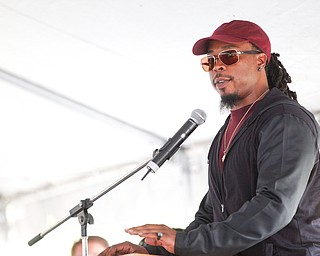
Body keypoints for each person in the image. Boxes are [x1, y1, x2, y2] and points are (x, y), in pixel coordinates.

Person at [98, 20, 320, 256]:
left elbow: (274, 206)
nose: (218, 67)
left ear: (260, 60)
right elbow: (210, 215)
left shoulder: (285, 120)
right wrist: (159, 248)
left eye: (229, 56)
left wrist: (184, 243)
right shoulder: (228, 132)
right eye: (210, 61)